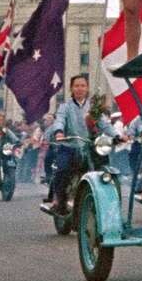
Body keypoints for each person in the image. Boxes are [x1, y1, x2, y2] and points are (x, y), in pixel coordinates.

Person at [42, 74, 95, 216]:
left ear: (87, 88)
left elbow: (104, 123)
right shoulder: (65, 107)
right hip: (68, 147)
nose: (80, 89)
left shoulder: (93, 107)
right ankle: (59, 201)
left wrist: (117, 136)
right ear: (71, 88)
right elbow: (59, 120)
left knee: (102, 172)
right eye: (76, 86)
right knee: (62, 170)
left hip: (89, 148)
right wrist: (59, 132)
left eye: (83, 85)